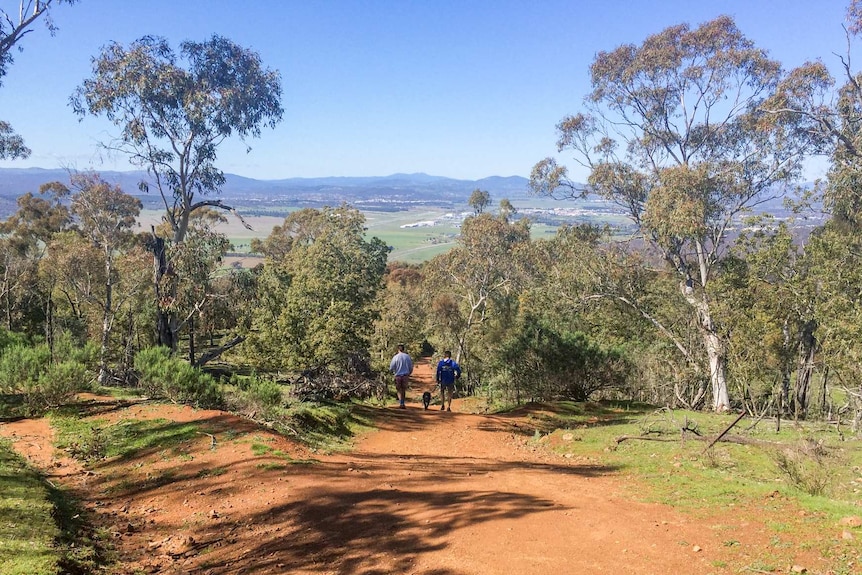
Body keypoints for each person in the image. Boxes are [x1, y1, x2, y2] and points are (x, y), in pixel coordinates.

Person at [389, 344, 413, 409]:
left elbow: (391, 367)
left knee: (398, 389)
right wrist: (409, 373)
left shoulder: (395, 357)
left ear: (398, 349)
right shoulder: (407, 357)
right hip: (405, 375)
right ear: (403, 349)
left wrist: (393, 372)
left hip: (398, 375)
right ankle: (402, 403)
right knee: (403, 389)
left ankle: (401, 403)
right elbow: (410, 366)